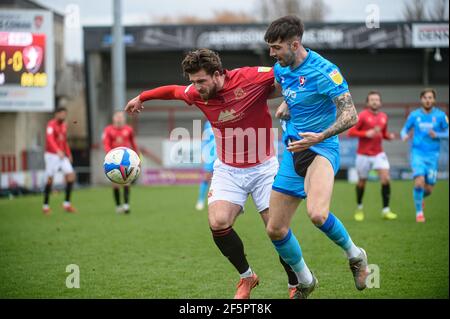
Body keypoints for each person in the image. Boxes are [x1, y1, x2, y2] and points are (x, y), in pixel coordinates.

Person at [125, 48, 297, 299]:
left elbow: (287, 73)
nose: (197, 87)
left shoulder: (249, 78)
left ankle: (295, 282)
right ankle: (247, 277)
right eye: (193, 81)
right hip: (227, 169)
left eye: (201, 81)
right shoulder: (196, 93)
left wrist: (286, 99)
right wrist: (142, 97)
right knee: (218, 223)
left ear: (218, 74)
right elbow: (173, 91)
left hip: (263, 168)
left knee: (277, 229)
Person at [264, 15, 369, 299]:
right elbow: (291, 87)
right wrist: (287, 101)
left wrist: (320, 136)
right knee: (275, 228)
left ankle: (356, 255)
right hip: (293, 150)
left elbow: (351, 114)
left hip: (322, 149)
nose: (272, 54)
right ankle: (306, 280)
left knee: (318, 214)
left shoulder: (325, 71)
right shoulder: (281, 68)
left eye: (276, 47)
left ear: (295, 44)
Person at [347, 91, 397, 221]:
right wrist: (366, 133)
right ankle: (359, 207)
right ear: (367, 103)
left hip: (379, 153)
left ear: (380, 102)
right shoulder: (362, 116)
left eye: (377, 100)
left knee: (385, 178)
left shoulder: (384, 117)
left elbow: (383, 133)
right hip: (363, 155)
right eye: (372, 100)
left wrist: (388, 137)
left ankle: (386, 210)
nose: (375, 102)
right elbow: (351, 132)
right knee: (362, 182)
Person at [400, 88, 449, 223]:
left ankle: (420, 199)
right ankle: (419, 213)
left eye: (430, 98)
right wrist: (404, 135)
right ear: (421, 99)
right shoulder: (414, 115)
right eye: (425, 97)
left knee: (429, 189)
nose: (428, 100)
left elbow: (448, 132)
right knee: (419, 182)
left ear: (434, 100)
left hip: (433, 155)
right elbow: (404, 129)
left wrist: (438, 134)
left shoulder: (440, 116)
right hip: (417, 154)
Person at [102, 111, 139, 214]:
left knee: (127, 182)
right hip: (114, 161)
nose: (119, 118)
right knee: (116, 184)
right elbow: (106, 144)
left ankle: (126, 205)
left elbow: (133, 143)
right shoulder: (108, 130)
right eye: (117, 116)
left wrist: (137, 157)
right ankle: (118, 206)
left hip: (126, 161)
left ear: (124, 118)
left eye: (121, 117)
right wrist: (110, 156)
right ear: (114, 118)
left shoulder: (129, 129)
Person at [42, 107, 76, 214]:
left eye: (64, 114)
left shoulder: (64, 126)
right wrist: (57, 150)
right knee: (50, 179)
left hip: (62, 155)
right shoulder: (51, 125)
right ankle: (45, 206)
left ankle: (66, 204)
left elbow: (64, 141)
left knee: (70, 175)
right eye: (61, 114)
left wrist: (68, 153)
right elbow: (50, 139)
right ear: (56, 114)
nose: (63, 116)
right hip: (52, 155)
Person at [195, 120, 217, 211]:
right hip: (211, 154)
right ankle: (200, 200)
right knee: (207, 177)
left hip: (224, 155)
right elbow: (205, 139)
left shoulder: (226, 119)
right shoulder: (208, 123)